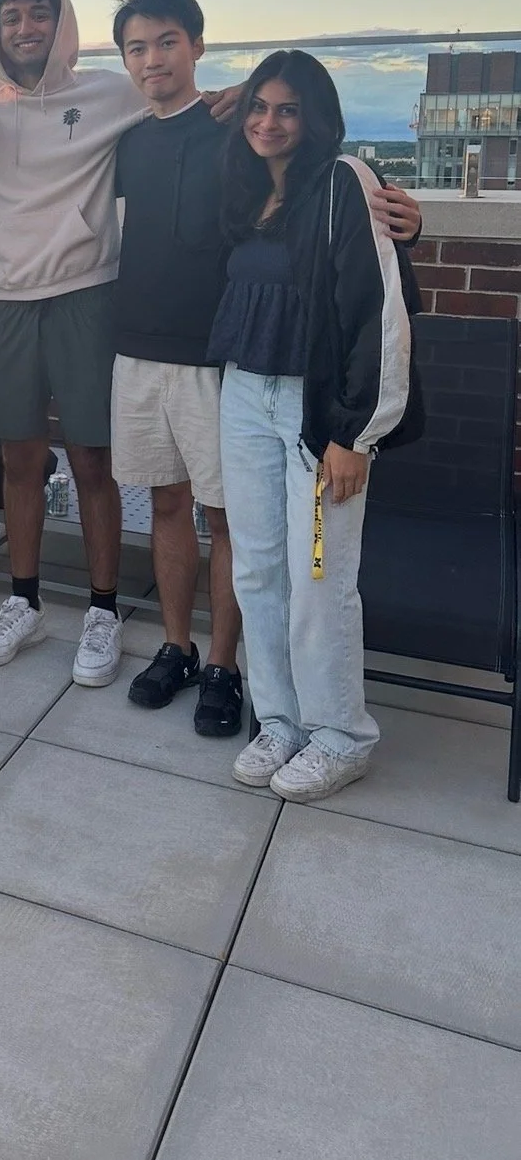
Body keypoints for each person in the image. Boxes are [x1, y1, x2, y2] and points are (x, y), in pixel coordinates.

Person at [111, 0, 422, 738]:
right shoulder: (194, 160)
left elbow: (374, 289)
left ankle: (296, 706)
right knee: (230, 545)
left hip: (288, 396)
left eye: (168, 41)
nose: (268, 121)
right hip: (217, 374)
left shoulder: (307, 167)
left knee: (305, 568)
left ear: (195, 45)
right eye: (137, 46)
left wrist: (407, 223)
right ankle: (244, 694)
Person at [0, 0, 165, 683]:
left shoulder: (113, 91)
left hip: (88, 295)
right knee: (18, 460)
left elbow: (185, 111)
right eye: (10, 17)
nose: (24, 27)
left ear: (63, 22)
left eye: (38, 14)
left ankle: (103, 609)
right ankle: (22, 601)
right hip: (8, 298)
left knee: (93, 461)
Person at [212, 49, 420, 801]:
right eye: (258, 107)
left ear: (316, 116)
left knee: (320, 575)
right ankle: (282, 719)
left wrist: (353, 433)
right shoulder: (245, 187)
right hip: (244, 393)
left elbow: (378, 313)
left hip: (318, 407)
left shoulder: (344, 180)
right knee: (258, 569)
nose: (269, 122)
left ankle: (341, 733)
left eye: (288, 108)